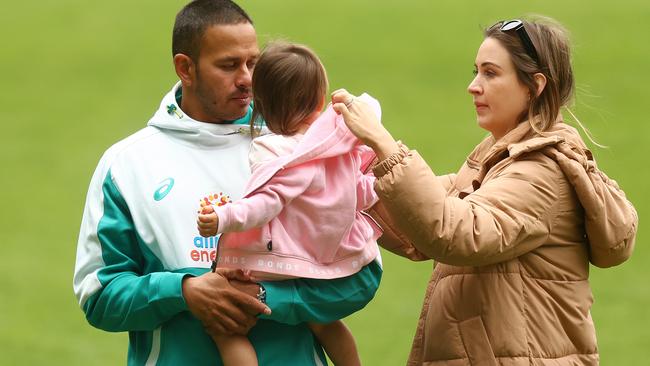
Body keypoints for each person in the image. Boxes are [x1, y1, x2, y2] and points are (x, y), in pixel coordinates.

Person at [72, 1, 381, 365]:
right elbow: (99, 295)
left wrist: (264, 297)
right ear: (185, 68)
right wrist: (184, 291)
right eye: (229, 65)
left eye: (254, 63)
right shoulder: (127, 165)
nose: (248, 78)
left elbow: (362, 277)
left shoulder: (304, 150)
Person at [332, 16, 638, 365]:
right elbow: (414, 225)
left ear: (534, 86)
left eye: (491, 73)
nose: (473, 86)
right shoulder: (494, 160)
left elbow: (454, 231)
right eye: (476, 71)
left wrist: (383, 144)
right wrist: (344, 171)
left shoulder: (542, 173)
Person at [196, 41, 382, 366]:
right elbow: (364, 193)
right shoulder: (340, 145)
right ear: (321, 100)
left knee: (225, 317)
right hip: (353, 267)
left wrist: (223, 217)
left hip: (294, 264)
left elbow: (266, 203)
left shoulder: (278, 153)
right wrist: (387, 179)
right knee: (323, 321)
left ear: (261, 105)